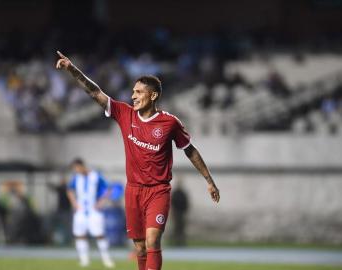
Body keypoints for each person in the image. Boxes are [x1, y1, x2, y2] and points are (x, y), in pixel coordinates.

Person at [56, 51, 220, 270]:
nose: (133, 96)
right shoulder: (125, 113)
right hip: (133, 191)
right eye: (133, 91)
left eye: (139, 92)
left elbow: (189, 150)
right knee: (140, 247)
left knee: (153, 240)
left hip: (158, 190)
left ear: (152, 96)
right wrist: (72, 69)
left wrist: (209, 180)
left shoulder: (169, 122)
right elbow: (95, 92)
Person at [66, 158, 115, 268]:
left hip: (94, 210)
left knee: (99, 234)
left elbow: (108, 188)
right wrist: (74, 202)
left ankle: (106, 259)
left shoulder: (95, 175)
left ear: (81, 166)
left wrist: (101, 201)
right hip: (81, 210)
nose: (76, 171)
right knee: (80, 235)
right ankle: (84, 260)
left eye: (76, 168)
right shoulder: (76, 178)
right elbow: (69, 190)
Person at [171, 179, 189, 246]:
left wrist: (185, 212)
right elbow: (172, 203)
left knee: (182, 228)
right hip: (176, 213)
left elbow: (186, 203)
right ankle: (175, 242)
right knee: (176, 228)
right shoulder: (175, 193)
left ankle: (182, 243)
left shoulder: (183, 193)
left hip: (182, 213)